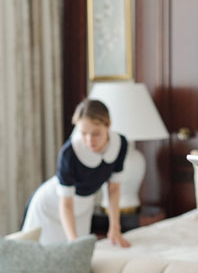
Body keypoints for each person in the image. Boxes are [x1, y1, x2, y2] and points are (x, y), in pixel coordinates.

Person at [22, 98, 131, 247]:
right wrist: (73, 242)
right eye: (83, 133)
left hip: (83, 206)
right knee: (42, 255)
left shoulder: (120, 144)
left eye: (96, 133)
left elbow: (114, 188)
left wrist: (115, 228)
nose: (89, 140)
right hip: (52, 205)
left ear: (108, 125)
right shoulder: (69, 153)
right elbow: (65, 203)